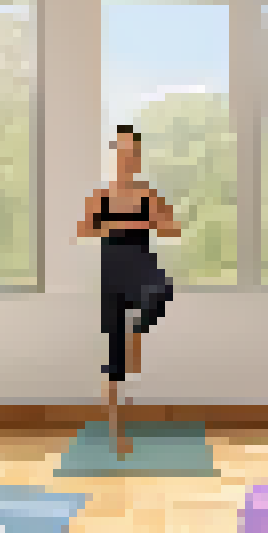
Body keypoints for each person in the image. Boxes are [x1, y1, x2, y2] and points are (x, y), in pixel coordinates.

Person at [78, 125, 180, 457]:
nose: (126, 159)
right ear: (114, 155)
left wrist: (138, 223)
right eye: (121, 152)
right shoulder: (101, 196)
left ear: (137, 157)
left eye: (132, 153)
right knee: (114, 361)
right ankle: (116, 434)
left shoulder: (147, 195)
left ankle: (137, 330)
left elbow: (172, 227)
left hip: (142, 269)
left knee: (162, 290)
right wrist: (114, 226)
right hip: (113, 278)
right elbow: (83, 229)